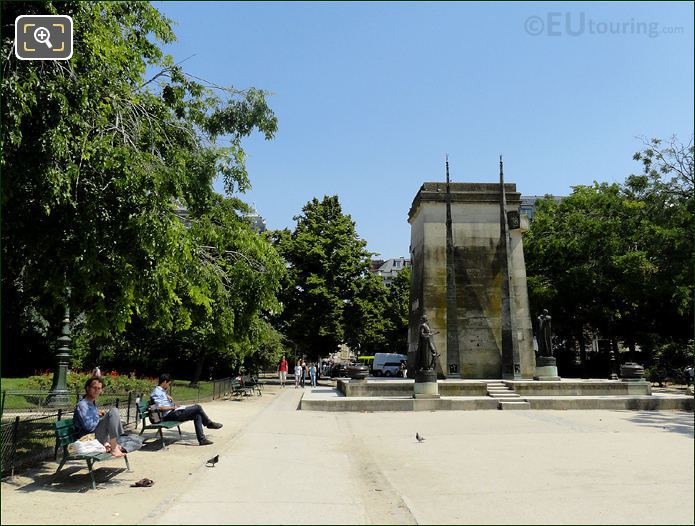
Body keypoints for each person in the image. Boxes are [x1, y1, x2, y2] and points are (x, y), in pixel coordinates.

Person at [150, 374, 222, 446]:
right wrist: (173, 407)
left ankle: (202, 440)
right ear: (165, 382)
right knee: (197, 407)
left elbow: (162, 400)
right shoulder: (157, 392)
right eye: (168, 384)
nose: (168, 386)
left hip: (173, 412)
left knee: (197, 415)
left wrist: (167, 397)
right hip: (169, 415)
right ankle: (209, 424)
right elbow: (159, 407)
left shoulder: (161, 391)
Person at [73, 376, 125, 457]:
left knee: (134, 440)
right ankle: (114, 447)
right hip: (88, 438)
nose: (97, 390)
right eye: (94, 388)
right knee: (113, 411)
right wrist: (97, 417)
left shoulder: (91, 403)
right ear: (87, 388)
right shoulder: (83, 405)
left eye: (99, 388)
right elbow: (89, 427)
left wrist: (97, 415)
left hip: (95, 436)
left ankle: (109, 444)